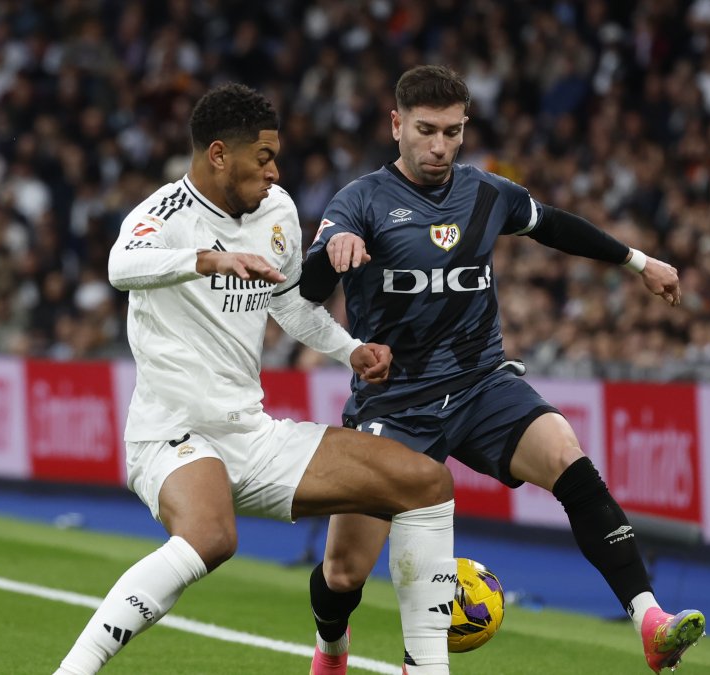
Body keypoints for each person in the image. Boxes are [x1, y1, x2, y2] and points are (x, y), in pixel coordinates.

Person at [299, 66, 705, 674]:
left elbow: (556, 227)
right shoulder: (359, 201)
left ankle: (648, 618)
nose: (439, 146)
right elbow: (307, 289)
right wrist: (332, 258)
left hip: (481, 384)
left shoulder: (487, 193)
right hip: (394, 406)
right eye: (426, 130)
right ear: (396, 125)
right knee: (342, 573)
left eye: (453, 132)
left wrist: (637, 262)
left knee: (569, 458)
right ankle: (332, 647)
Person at [53, 84, 457, 675]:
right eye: (263, 157)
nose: (274, 171)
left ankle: (424, 667)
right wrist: (207, 258)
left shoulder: (278, 211)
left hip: (250, 433)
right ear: (219, 154)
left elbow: (290, 304)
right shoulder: (164, 214)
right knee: (213, 536)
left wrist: (350, 350)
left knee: (426, 483)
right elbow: (121, 267)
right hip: (172, 433)